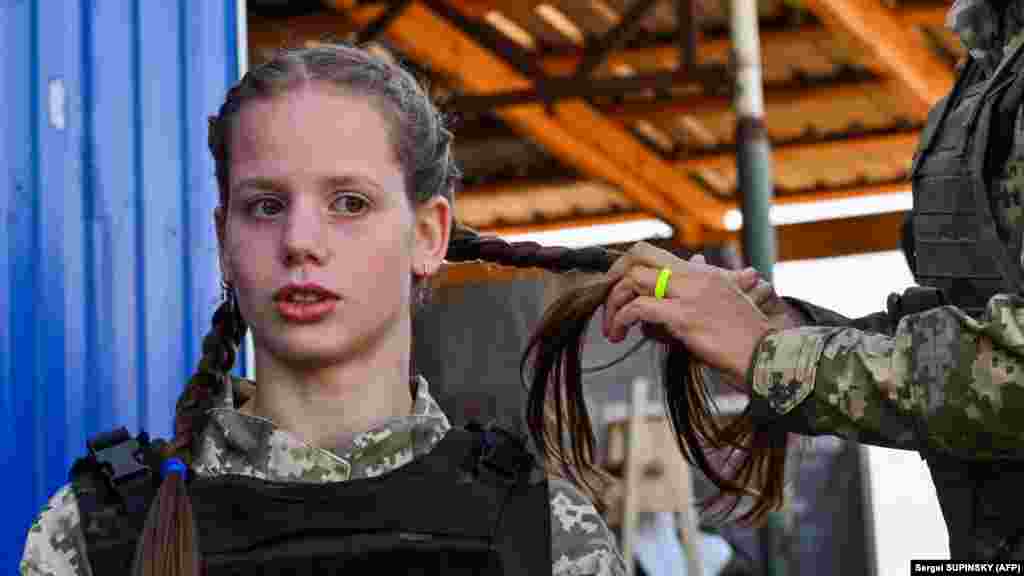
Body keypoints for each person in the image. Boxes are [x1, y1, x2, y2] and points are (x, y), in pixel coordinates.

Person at [19, 44, 632, 576]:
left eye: (348, 202)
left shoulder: (547, 532)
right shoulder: (100, 528)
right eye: (265, 206)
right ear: (224, 240)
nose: (300, 241)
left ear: (428, 235)